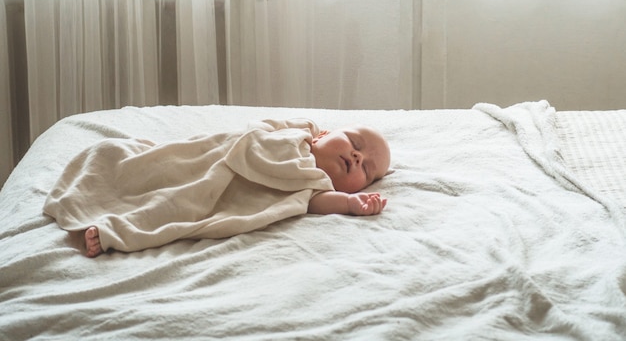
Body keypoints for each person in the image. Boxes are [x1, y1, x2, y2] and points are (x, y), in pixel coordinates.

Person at [45, 119, 390, 258]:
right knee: (147, 165)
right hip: (210, 160)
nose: (359, 156)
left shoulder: (315, 185)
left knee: (177, 205)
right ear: (323, 135)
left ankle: (112, 230)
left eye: (368, 169)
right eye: (356, 142)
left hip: (220, 193)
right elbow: (254, 131)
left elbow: (319, 203)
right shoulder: (300, 130)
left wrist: (350, 204)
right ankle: (109, 182)